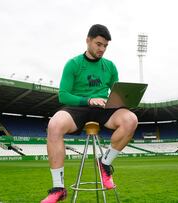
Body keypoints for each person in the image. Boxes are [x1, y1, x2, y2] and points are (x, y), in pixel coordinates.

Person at [41, 24, 138, 203]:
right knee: (54, 125)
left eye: (105, 46)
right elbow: (63, 95)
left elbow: (115, 92)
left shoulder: (110, 66)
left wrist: (122, 101)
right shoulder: (73, 64)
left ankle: (105, 163)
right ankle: (58, 189)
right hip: (78, 106)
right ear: (88, 40)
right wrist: (87, 100)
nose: (102, 49)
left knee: (131, 119)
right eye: (98, 44)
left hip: (103, 108)